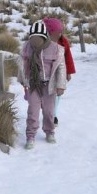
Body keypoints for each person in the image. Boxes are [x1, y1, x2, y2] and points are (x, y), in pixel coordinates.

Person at [19, 20, 66, 149]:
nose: (35, 42)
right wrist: (24, 82)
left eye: (38, 38)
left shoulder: (55, 48)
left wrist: (61, 85)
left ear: (45, 37)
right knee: (32, 111)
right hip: (34, 84)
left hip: (48, 86)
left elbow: (61, 67)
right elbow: (22, 66)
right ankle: (30, 135)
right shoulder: (27, 47)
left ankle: (49, 131)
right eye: (32, 38)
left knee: (48, 111)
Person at [42, 17, 75, 126]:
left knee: (56, 95)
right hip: (44, 75)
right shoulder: (41, 43)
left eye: (61, 32)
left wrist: (68, 72)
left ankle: (53, 115)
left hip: (58, 73)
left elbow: (68, 57)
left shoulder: (63, 41)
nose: (59, 34)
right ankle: (46, 110)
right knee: (45, 95)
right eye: (57, 32)